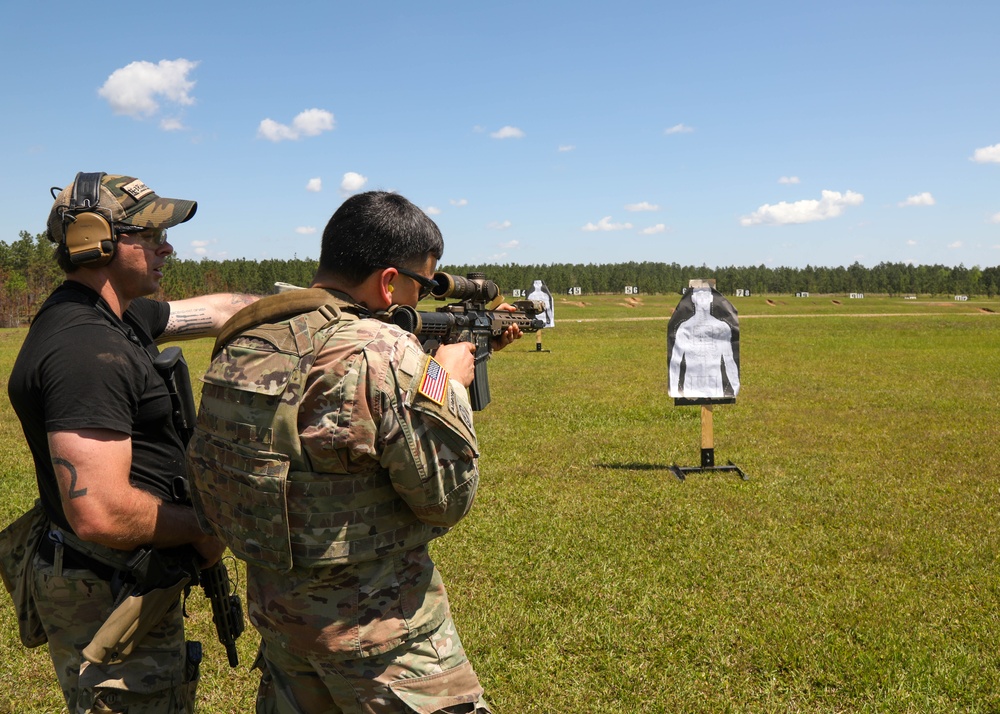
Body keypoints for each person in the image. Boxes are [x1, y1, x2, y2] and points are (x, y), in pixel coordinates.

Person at [186, 190, 519, 713]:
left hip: (283, 628)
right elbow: (447, 497)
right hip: (385, 642)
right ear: (389, 282)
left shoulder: (248, 339)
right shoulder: (383, 352)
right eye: (420, 284)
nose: (421, 300)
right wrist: (446, 384)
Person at [5, 172, 258, 713]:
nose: (167, 247)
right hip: (108, 583)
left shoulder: (119, 317)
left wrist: (334, 311)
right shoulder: (85, 350)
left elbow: (220, 310)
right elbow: (101, 513)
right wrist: (210, 526)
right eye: (150, 235)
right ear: (93, 241)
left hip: (120, 574)